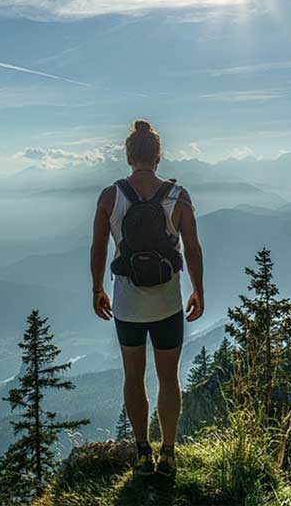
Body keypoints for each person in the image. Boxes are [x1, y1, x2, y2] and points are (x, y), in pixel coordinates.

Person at [90, 119, 205, 477]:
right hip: (168, 304)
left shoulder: (111, 197)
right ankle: (168, 453)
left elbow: (98, 248)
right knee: (169, 379)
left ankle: (142, 454)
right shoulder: (178, 196)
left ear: (128, 156)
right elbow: (193, 249)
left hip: (128, 305)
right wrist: (198, 290)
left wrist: (97, 288)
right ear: (158, 156)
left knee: (133, 376)